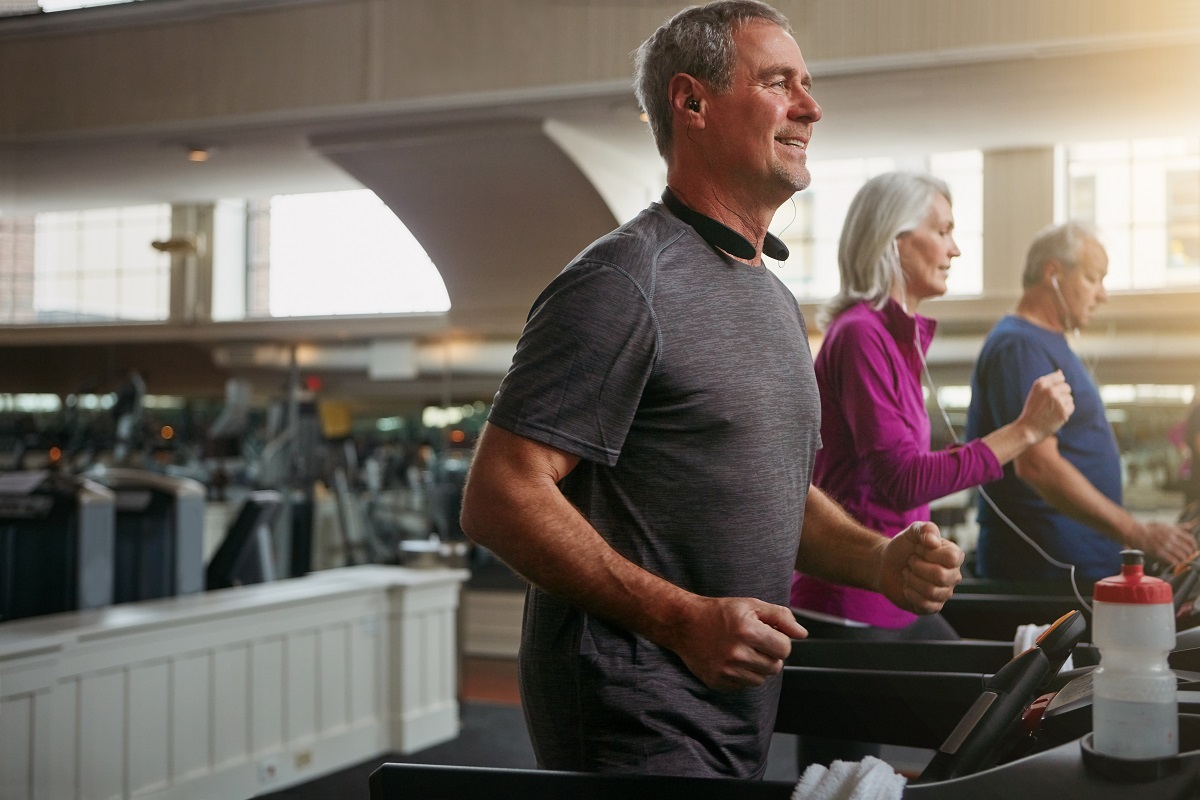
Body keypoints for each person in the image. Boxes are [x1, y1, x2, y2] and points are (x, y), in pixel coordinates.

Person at [459, 1, 964, 780]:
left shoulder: (771, 298)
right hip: (634, 712)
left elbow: (776, 494)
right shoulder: (624, 280)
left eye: (808, 85)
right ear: (691, 102)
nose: (811, 106)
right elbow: (499, 494)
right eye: (779, 82)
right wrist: (683, 619)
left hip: (735, 710)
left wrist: (879, 560)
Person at [787, 171, 1074, 767]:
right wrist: (1023, 431)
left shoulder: (893, 340)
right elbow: (902, 480)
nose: (956, 247)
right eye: (942, 230)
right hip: (849, 600)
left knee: (993, 725)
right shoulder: (862, 334)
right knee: (840, 771)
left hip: (893, 599)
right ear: (894, 241)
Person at [965, 222, 1195, 581]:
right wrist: (1138, 533)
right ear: (1053, 273)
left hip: (1076, 563)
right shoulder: (1020, 347)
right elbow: (1037, 465)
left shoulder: (1046, 344)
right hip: (1045, 570)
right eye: (1093, 278)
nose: (1102, 295)